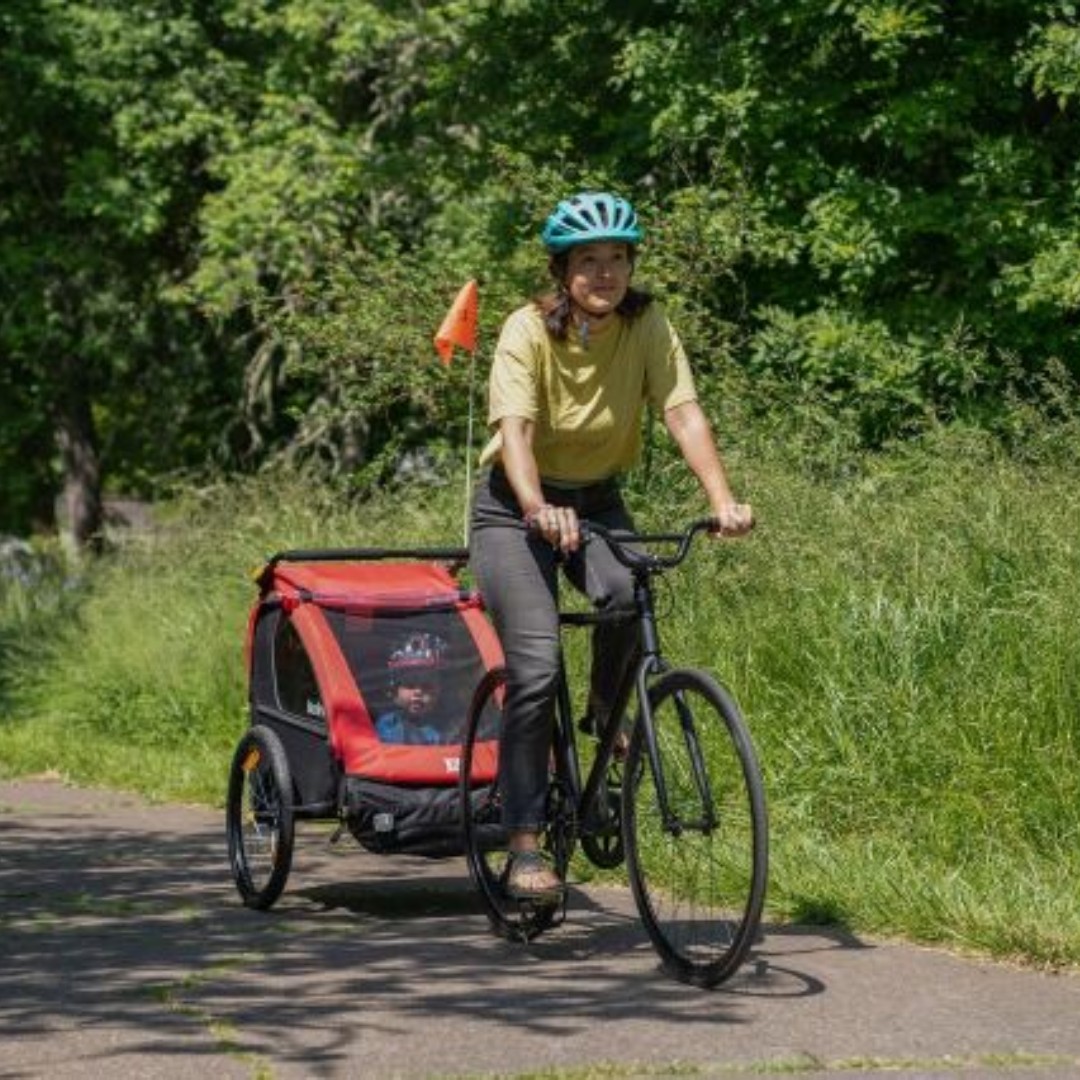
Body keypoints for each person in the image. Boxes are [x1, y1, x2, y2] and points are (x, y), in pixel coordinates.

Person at [469, 191, 755, 903]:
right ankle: (526, 847)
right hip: (513, 508)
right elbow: (517, 432)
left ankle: (604, 711)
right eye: (589, 260)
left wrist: (721, 500)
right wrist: (537, 508)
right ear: (563, 268)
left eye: (618, 259)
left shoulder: (648, 323)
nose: (605, 273)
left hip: (598, 499)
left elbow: (682, 412)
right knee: (535, 667)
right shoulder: (526, 330)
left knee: (630, 592)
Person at [374, 632, 447, 746]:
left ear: (438, 692)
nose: (418, 692)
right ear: (394, 693)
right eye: (410, 685)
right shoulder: (389, 725)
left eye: (426, 686)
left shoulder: (447, 724)